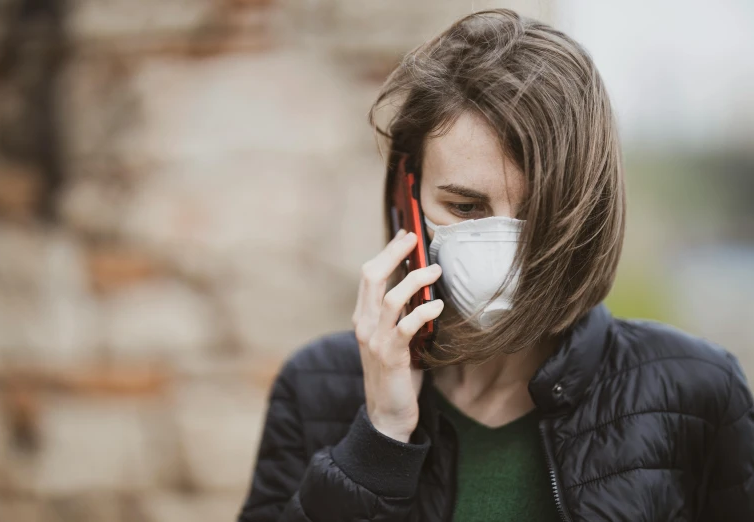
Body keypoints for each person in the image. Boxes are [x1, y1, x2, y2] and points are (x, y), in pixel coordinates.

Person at [237, 9, 754, 522]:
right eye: (465, 208)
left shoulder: (699, 391)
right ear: (407, 195)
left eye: (539, 213)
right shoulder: (313, 388)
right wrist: (377, 443)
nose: (502, 246)